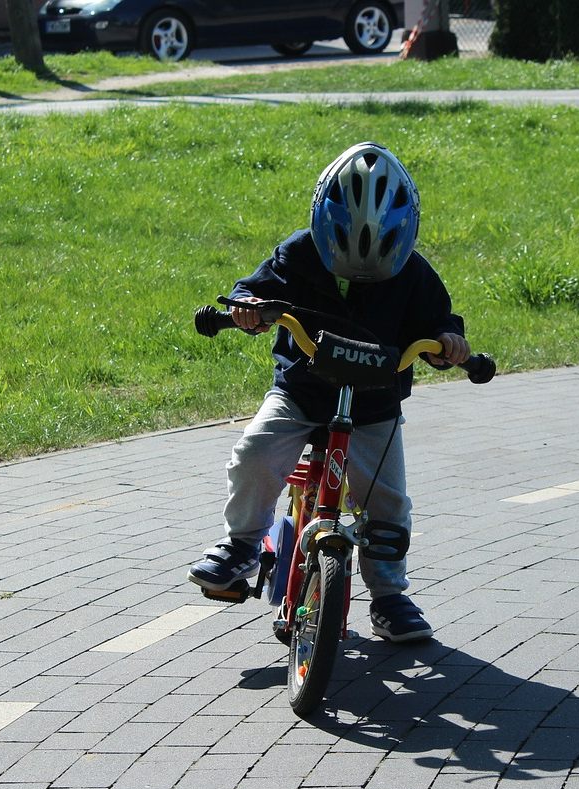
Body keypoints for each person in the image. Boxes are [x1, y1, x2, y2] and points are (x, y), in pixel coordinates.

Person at [187, 142, 471, 642]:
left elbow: (440, 323)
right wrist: (247, 309)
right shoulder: (297, 253)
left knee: (387, 502)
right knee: (254, 454)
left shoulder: (414, 273)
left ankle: (388, 596)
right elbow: (253, 289)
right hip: (302, 392)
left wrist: (448, 343)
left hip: (375, 404)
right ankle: (242, 544)